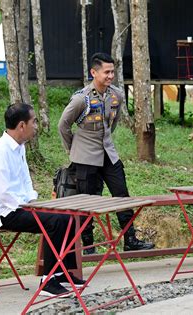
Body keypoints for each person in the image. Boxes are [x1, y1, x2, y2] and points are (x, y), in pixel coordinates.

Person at [0, 103, 85, 297]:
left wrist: (33, 201)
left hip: (21, 206)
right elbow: (3, 192)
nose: (36, 126)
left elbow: (25, 180)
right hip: (3, 212)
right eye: (34, 122)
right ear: (22, 126)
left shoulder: (19, 147)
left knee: (67, 216)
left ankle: (63, 272)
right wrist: (30, 208)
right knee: (53, 221)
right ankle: (48, 280)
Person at [58, 52, 154, 254]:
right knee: (87, 199)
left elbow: (113, 122)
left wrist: (106, 139)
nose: (110, 76)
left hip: (109, 154)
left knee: (122, 195)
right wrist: (72, 150)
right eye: (106, 72)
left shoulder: (116, 95)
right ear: (94, 72)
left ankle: (130, 240)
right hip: (85, 156)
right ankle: (88, 246)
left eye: (113, 72)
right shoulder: (81, 99)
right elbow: (63, 126)